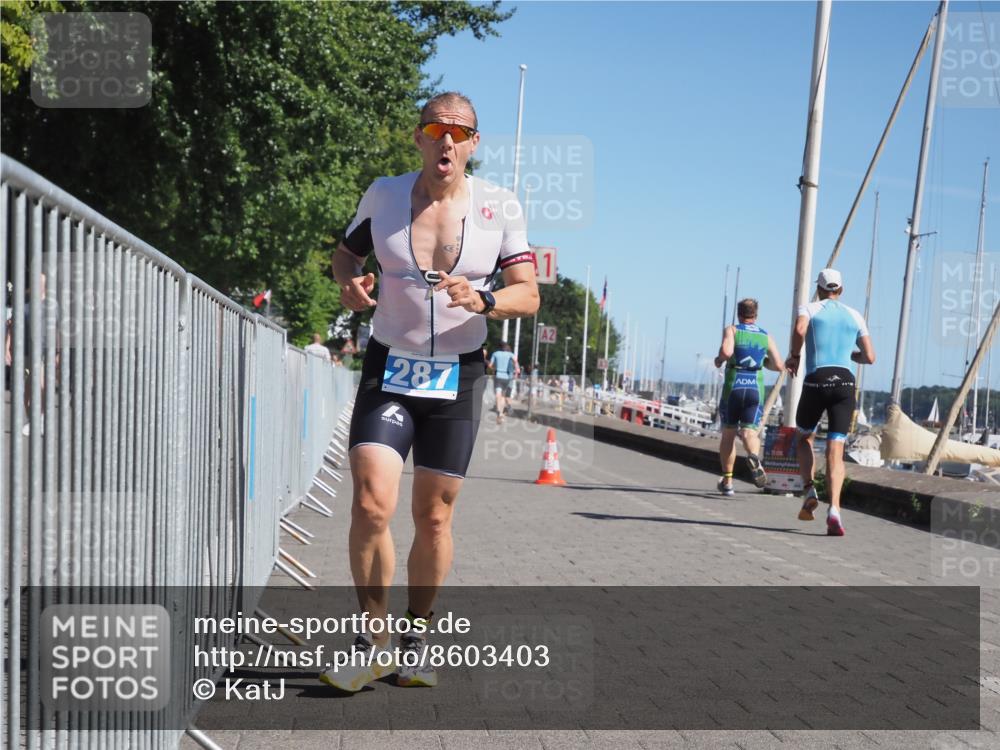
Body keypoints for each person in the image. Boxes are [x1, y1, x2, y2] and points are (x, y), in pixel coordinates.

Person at [323, 91, 539, 692]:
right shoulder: (384, 195)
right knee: (370, 503)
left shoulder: (500, 207)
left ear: (474, 145)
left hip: (459, 375)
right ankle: (372, 640)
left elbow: (529, 293)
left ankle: (416, 636)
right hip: (390, 364)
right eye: (435, 128)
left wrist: (486, 298)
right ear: (417, 137)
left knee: (434, 517)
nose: (446, 139)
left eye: (459, 132)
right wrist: (352, 285)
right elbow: (344, 256)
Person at [786, 268, 875, 537]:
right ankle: (834, 509)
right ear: (841, 290)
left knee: (803, 437)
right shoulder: (855, 315)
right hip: (845, 383)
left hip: (816, 380)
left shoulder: (810, 308)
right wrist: (851, 355)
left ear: (819, 289)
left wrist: (794, 356)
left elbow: (800, 329)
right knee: (835, 449)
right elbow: (870, 357)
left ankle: (809, 488)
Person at [713, 299, 783, 495]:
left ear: (739, 314)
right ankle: (753, 457)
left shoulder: (733, 330)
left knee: (728, 434)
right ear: (756, 315)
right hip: (755, 387)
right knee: (749, 432)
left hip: (734, 386)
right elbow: (778, 365)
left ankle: (727, 482)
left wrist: (719, 359)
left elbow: (727, 352)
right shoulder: (766, 336)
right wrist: (761, 362)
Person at [488, 341, 519, 422]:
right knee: (503, 396)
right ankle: (501, 411)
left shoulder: (495, 353)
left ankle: (499, 412)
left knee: (498, 395)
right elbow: (515, 362)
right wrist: (516, 370)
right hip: (507, 377)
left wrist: (495, 369)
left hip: (498, 375)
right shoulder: (510, 354)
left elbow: (490, 365)